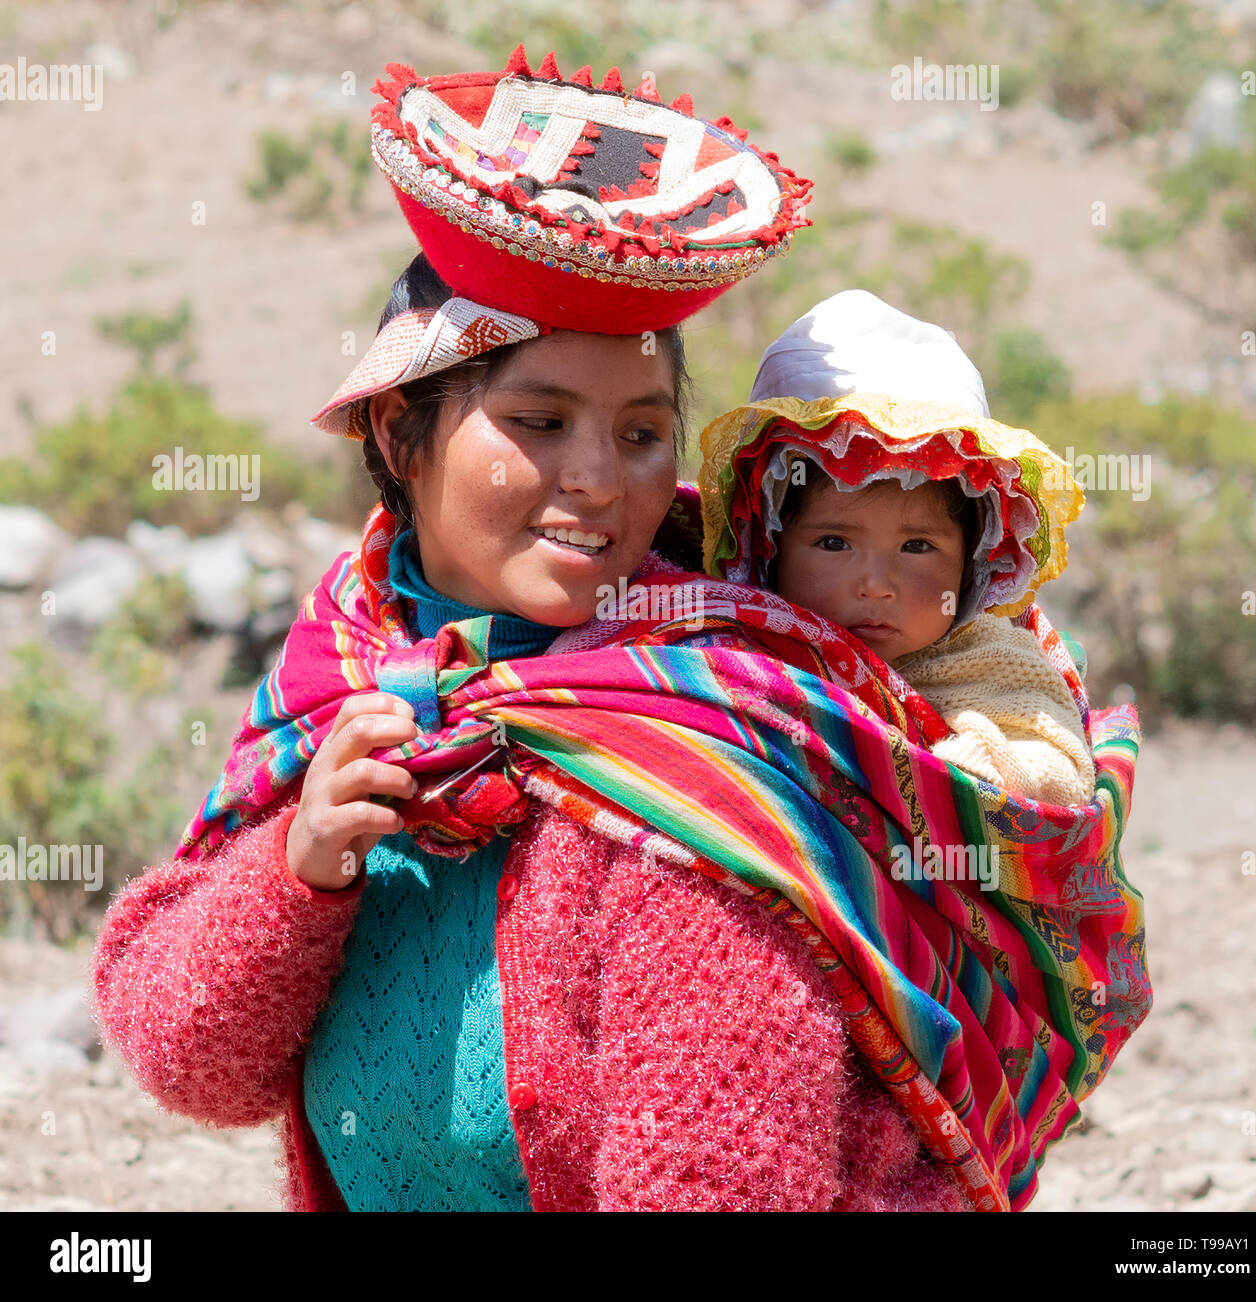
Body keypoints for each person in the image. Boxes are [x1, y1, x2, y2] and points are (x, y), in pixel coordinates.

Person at [92, 50, 971, 1212]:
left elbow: (713, 1180)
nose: (599, 481)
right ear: (404, 428)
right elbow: (187, 1064)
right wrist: (300, 871)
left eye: (644, 430)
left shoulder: (701, 747)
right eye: (539, 420)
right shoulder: (344, 673)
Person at [699, 289, 1095, 806]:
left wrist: (959, 775)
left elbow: (1058, 767)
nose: (876, 585)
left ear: (973, 560)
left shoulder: (991, 660)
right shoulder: (729, 654)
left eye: (916, 547)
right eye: (834, 542)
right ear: (768, 544)